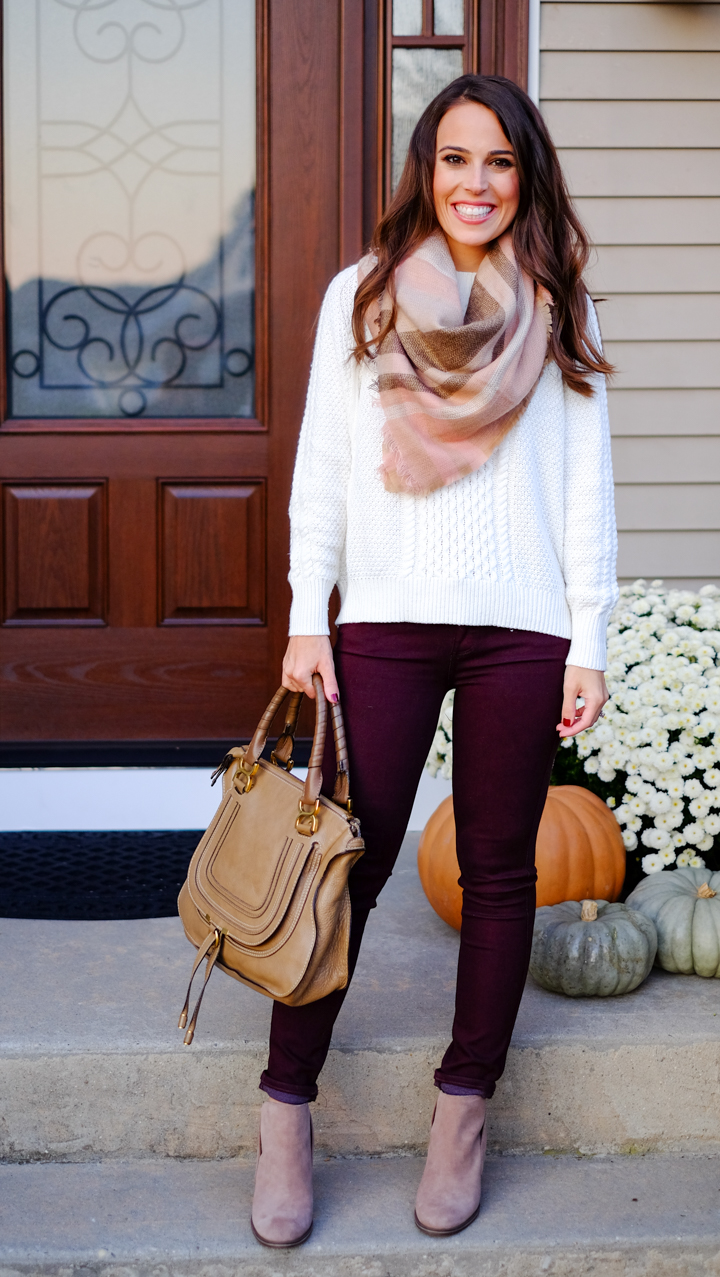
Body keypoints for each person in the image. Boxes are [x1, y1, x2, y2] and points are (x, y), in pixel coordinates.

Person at [250, 73, 617, 1248]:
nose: (477, 184)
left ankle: (463, 1115)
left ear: (527, 177)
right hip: (389, 622)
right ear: (426, 169)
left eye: (500, 162)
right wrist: (311, 615)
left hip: (521, 624)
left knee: (503, 872)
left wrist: (590, 637)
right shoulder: (359, 298)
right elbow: (321, 472)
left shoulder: (559, 303)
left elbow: (587, 488)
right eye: (456, 159)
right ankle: (285, 1114)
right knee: (342, 867)